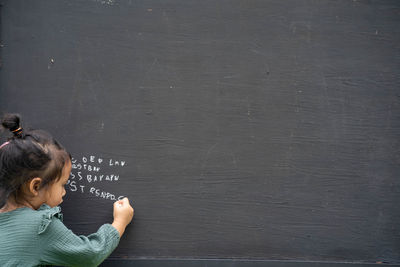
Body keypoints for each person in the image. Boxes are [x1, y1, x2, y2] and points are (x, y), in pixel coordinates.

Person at [0, 113, 134, 266]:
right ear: (35, 186)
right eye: (62, 184)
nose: (64, 191)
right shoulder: (41, 228)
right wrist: (119, 222)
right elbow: (90, 255)